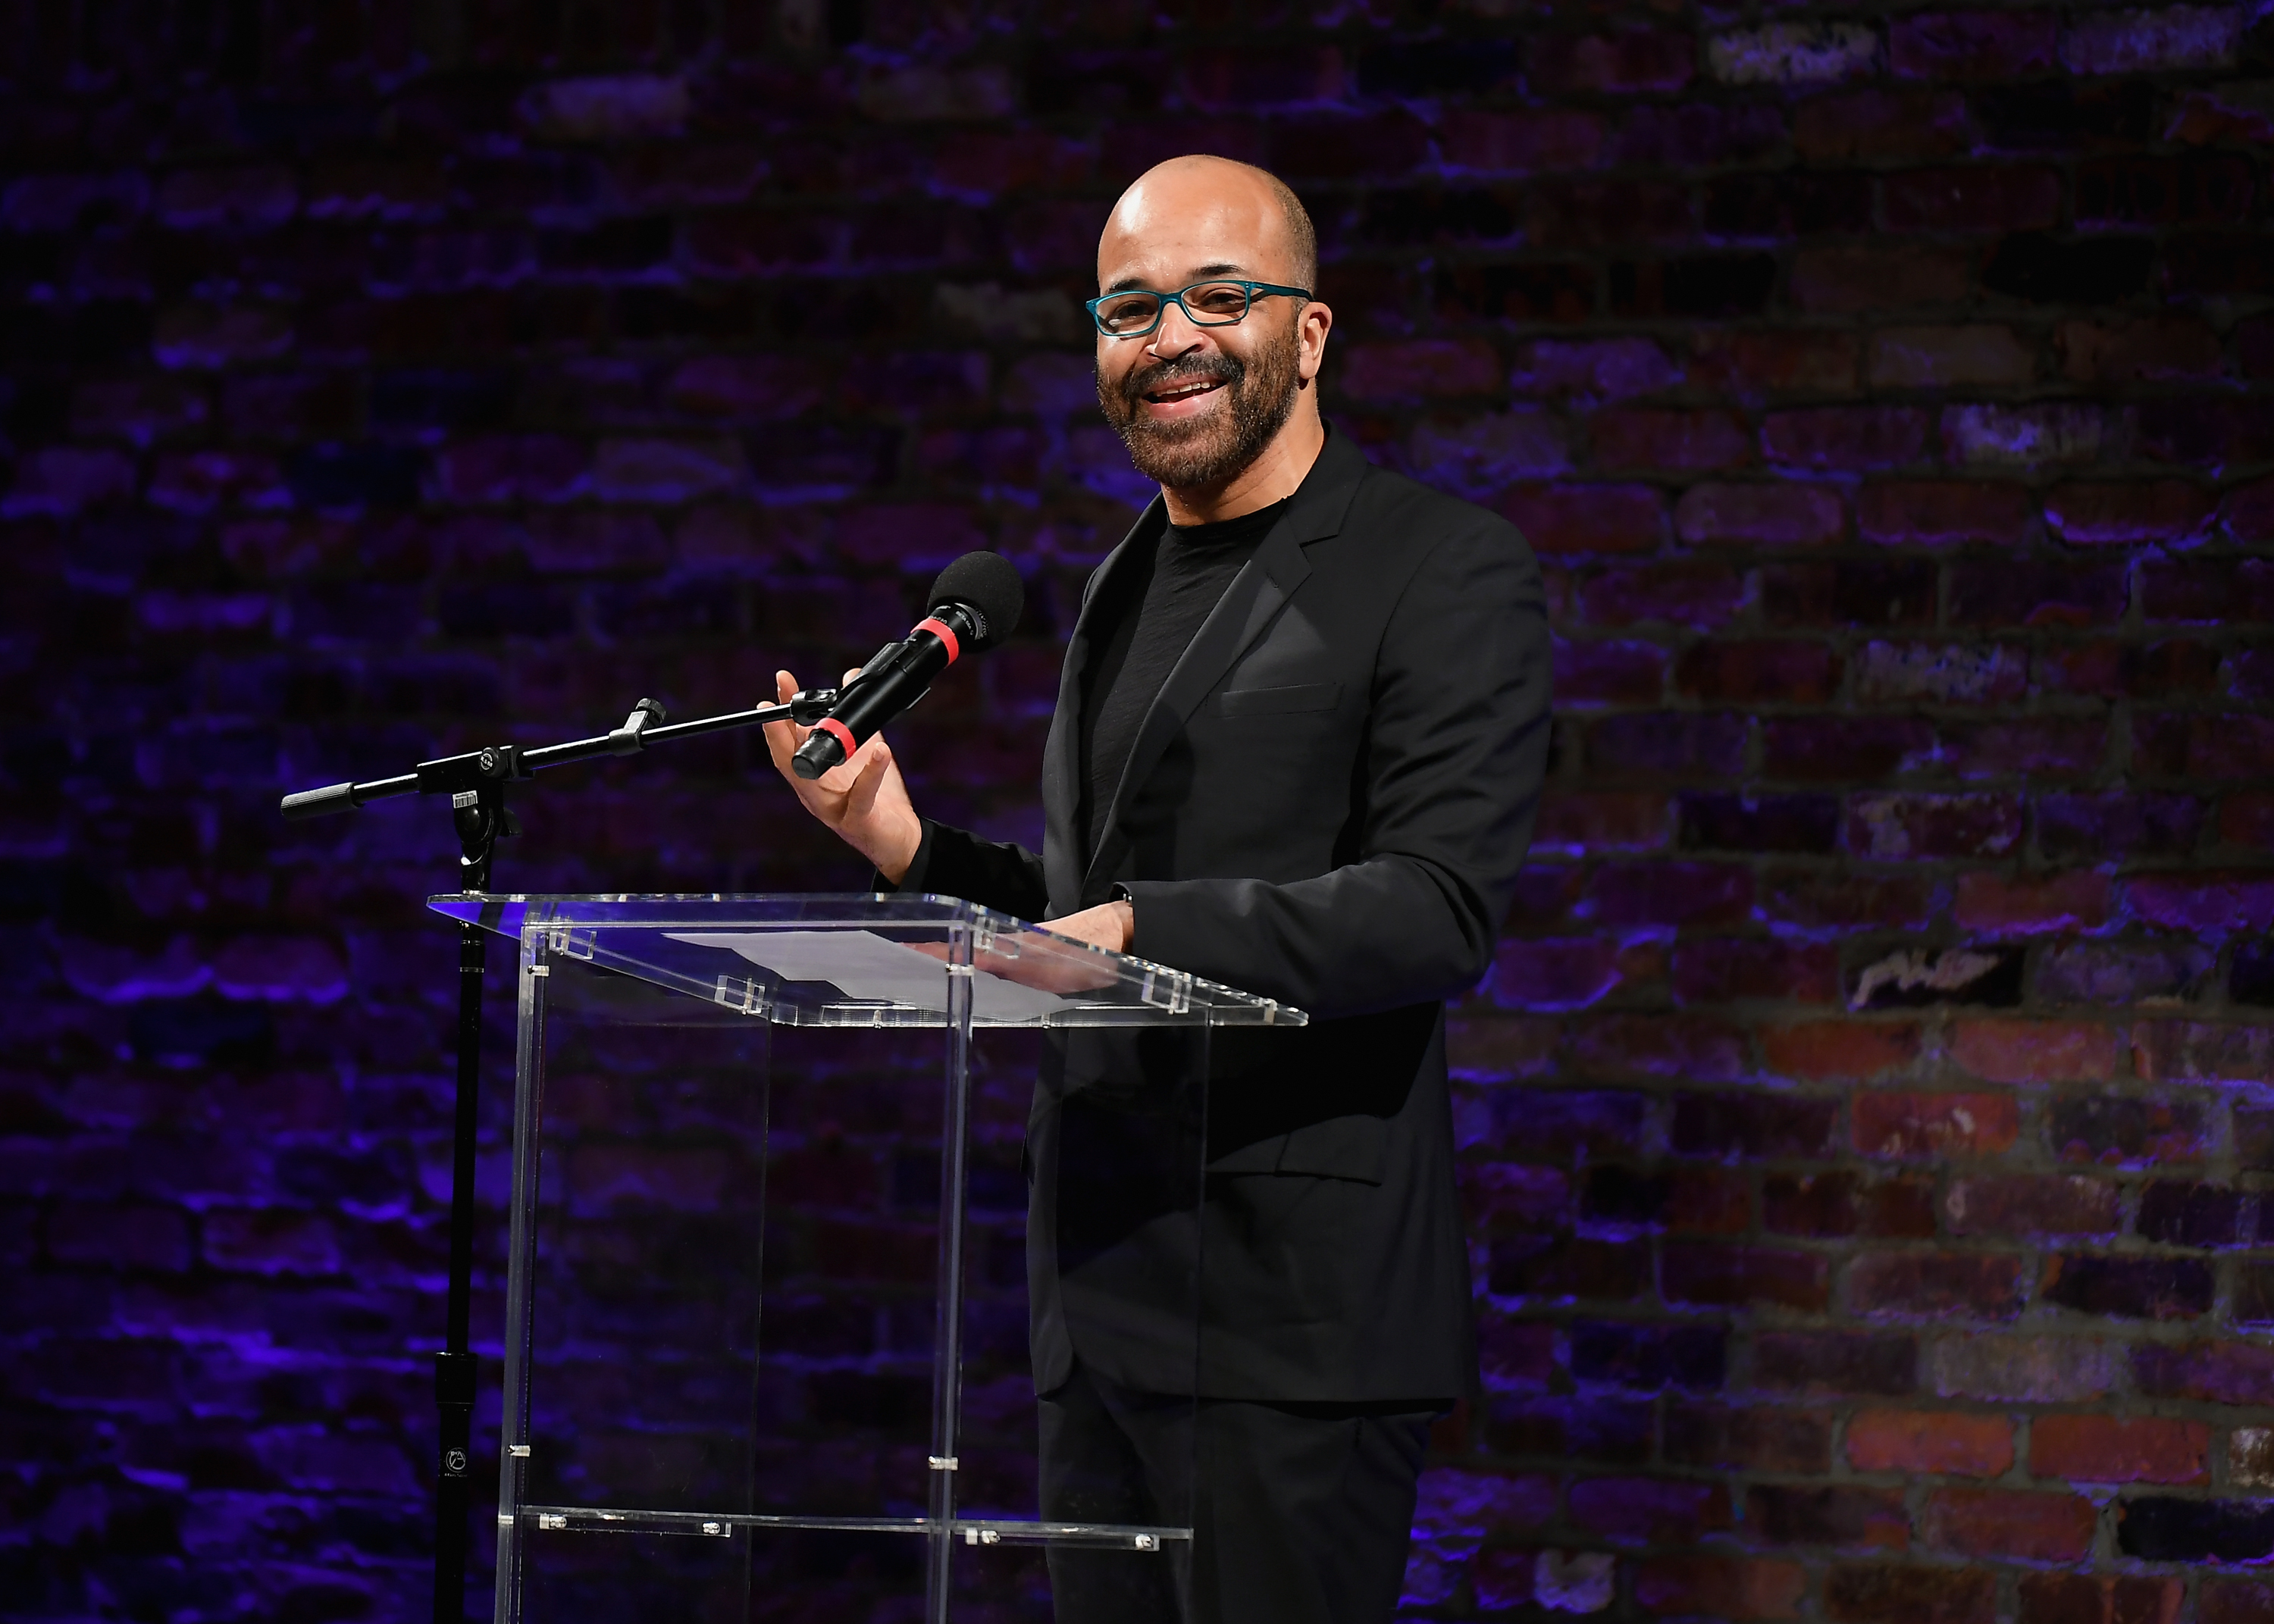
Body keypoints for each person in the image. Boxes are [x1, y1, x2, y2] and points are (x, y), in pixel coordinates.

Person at [764, 155, 1551, 1624]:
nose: (1170, 338)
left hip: (1293, 1325)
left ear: (1308, 333)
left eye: (1219, 297)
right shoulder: (1123, 584)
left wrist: (1147, 926)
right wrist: (908, 849)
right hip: (1102, 1306)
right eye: (1129, 309)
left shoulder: (1439, 569)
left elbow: (1438, 906)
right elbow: (1089, 912)